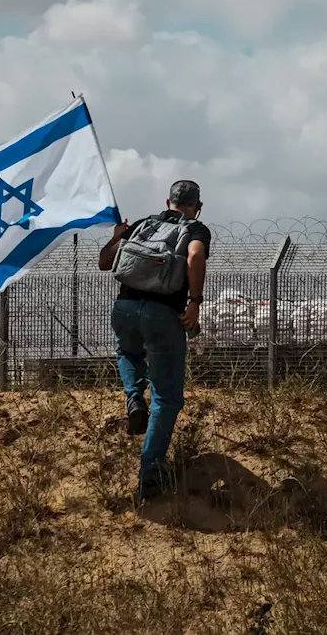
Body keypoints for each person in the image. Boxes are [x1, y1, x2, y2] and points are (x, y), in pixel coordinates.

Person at [97, 179, 211, 502]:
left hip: (125, 308)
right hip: (163, 316)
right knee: (167, 399)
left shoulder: (145, 225)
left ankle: (134, 398)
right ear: (197, 206)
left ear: (168, 201)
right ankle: (150, 475)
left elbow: (105, 263)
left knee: (127, 352)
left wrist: (118, 236)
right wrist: (195, 302)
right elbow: (195, 256)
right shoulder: (195, 229)